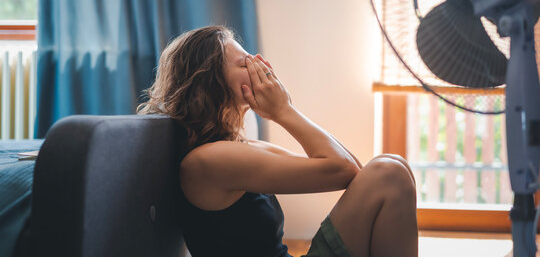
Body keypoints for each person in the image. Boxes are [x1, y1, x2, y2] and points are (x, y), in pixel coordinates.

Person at [137, 25, 418, 257]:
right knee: (389, 173)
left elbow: (352, 172)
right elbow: (343, 169)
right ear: (212, 81)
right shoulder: (209, 160)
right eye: (246, 62)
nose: (261, 65)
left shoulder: (236, 148)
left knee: (391, 168)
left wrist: (285, 109)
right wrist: (284, 112)